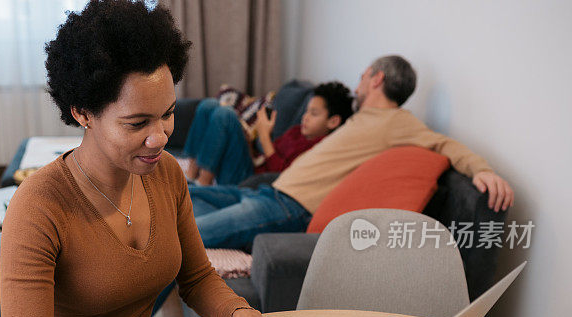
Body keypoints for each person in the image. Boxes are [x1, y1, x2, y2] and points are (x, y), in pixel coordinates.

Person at [0, 0, 335, 317]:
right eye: (137, 123)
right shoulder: (40, 206)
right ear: (83, 112)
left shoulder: (164, 174)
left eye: (168, 114)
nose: (161, 137)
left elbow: (195, 277)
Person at [190, 55, 515, 249]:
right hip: (270, 193)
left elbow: (445, 144)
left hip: (289, 208)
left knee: (186, 239)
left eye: (362, 77)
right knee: (185, 199)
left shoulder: (396, 121)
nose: (358, 83)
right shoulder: (363, 119)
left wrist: (482, 170)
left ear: (377, 78)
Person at [183, 81, 354, 186]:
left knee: (225, 115)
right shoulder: (297, 131)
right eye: (307, 111)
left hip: (250, 182)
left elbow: (280, 176)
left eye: (314, 114)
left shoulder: (319, 148)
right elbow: (263, 157)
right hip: (250, 166)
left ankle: (203, 184)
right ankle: (191, 173)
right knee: (209, 105)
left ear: (333, 121)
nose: (306, 117)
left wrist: (265, 136)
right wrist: (247, 140)